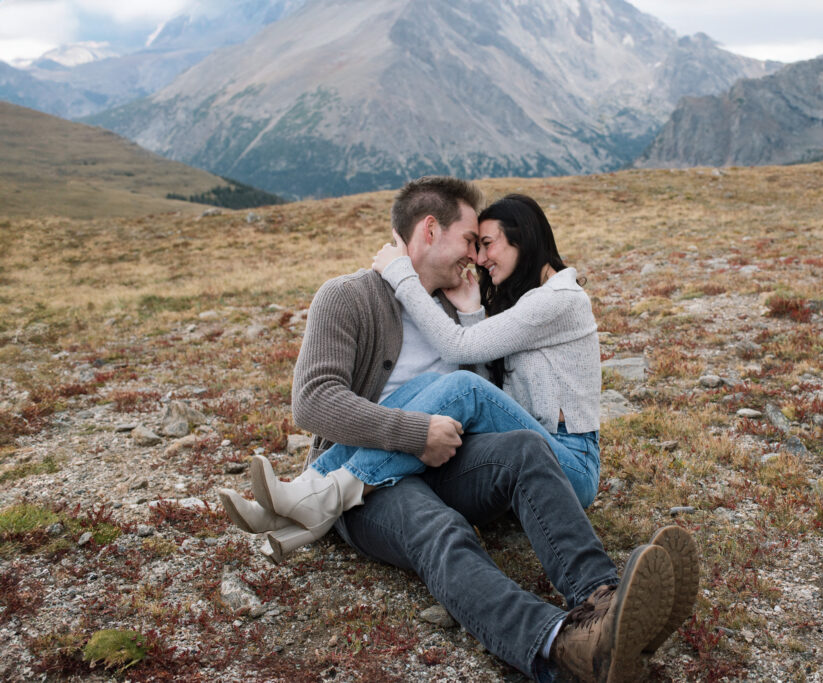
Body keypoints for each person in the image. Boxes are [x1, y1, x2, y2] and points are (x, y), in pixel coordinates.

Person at [219, 176, 699, 681]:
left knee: (526, 450)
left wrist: (471, 314)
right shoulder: (348, 297)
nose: (475, 257)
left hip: (449, 462)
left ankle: (604, 600)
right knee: (442, 530)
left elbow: (488, 394)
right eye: (471, 240)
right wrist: (413, 435)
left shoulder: (453, 306)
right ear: (430, 230)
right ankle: (564, 648)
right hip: (366, 489)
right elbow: (313, 402)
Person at [221, 194, 602, 559]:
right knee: (429, 386)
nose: (480, 258)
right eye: (475, 244)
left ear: (524, 237)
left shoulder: (559, 299)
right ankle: (296, 502)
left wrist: (402, 275)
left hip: (568, 462)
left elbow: (460, 351)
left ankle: (323, 494)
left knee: (462, 388)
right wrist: (472, 311)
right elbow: (493, 385)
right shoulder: (524, 302)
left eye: (487, 244)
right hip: (528, 453)